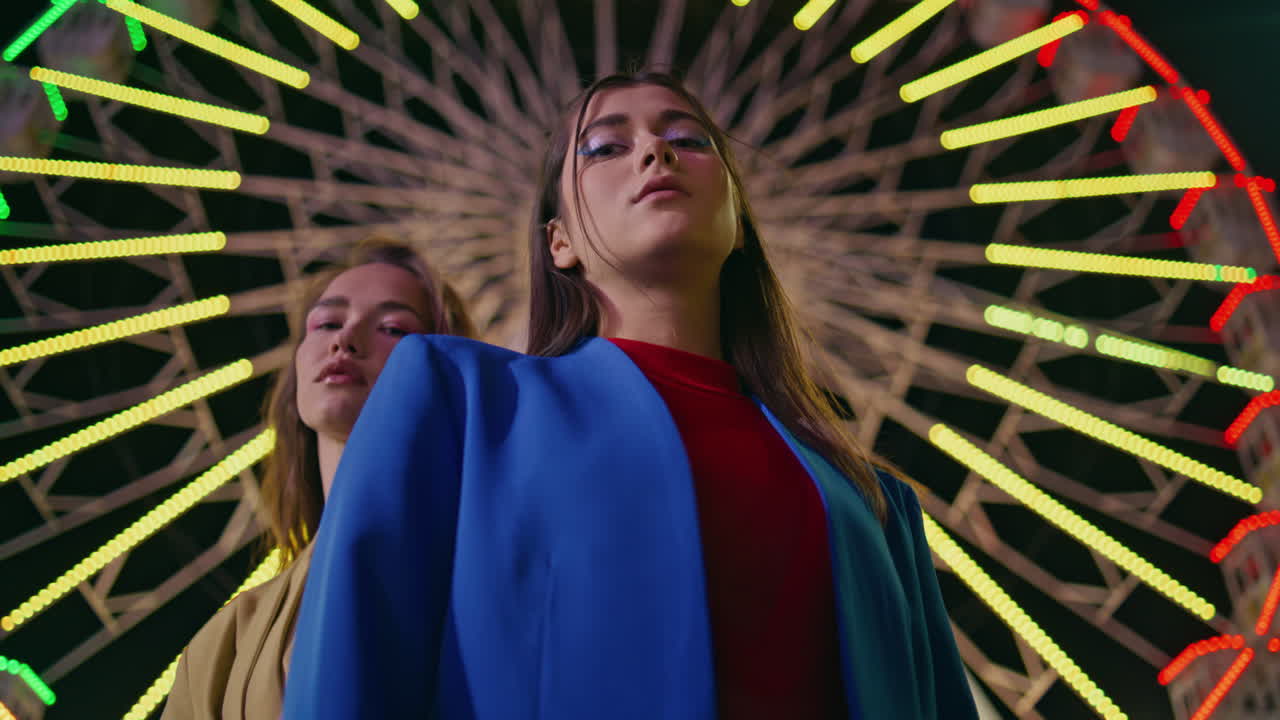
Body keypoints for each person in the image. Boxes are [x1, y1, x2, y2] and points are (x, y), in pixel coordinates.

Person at [284, 72, 978, 720]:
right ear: (558, 242)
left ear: (737, 219)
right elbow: (350, 674)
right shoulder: (456, 404)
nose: (655, 152)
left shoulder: (876, 505)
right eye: (606, 147)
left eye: (688, 140)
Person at [160, 239, 475, 720]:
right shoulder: (221, 646)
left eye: (392, 328)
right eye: (327, 323)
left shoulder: (487, 566)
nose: (345, 340)